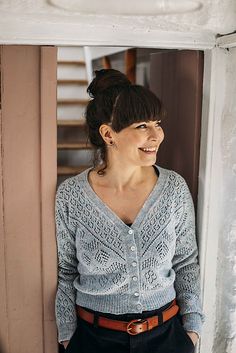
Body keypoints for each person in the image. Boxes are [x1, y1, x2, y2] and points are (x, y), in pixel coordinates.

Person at [55, 69, 205, 353]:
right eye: (142, 126)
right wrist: (68, 338)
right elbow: (65, 270)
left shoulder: (173, 188)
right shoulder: (71, 196)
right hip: (93, 340)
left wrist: (192, 330)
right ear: (109, 134)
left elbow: (186, 262)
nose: (156, 135)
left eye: (157, 123)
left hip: (168, 337)